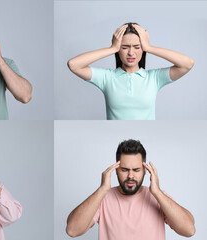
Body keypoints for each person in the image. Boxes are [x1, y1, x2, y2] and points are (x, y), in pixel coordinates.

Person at [66, 139, 195, 239]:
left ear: (145, 171)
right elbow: (72, 230)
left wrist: (157, 193)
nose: (130, 176)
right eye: (124, 170)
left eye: (136, 170)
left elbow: (189, 230)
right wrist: (102, 190)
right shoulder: (103, 198)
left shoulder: (158, 197)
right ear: (116, 170)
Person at [67, 23, 194, 120]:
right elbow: (74, 65)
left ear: (142, 49)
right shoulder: (107, 78)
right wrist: (112, 48)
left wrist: (149, 47)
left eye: (137, 47)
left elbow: (187, 64)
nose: (131, 53)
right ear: (119, 49)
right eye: (125, 47)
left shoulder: (154, 78)